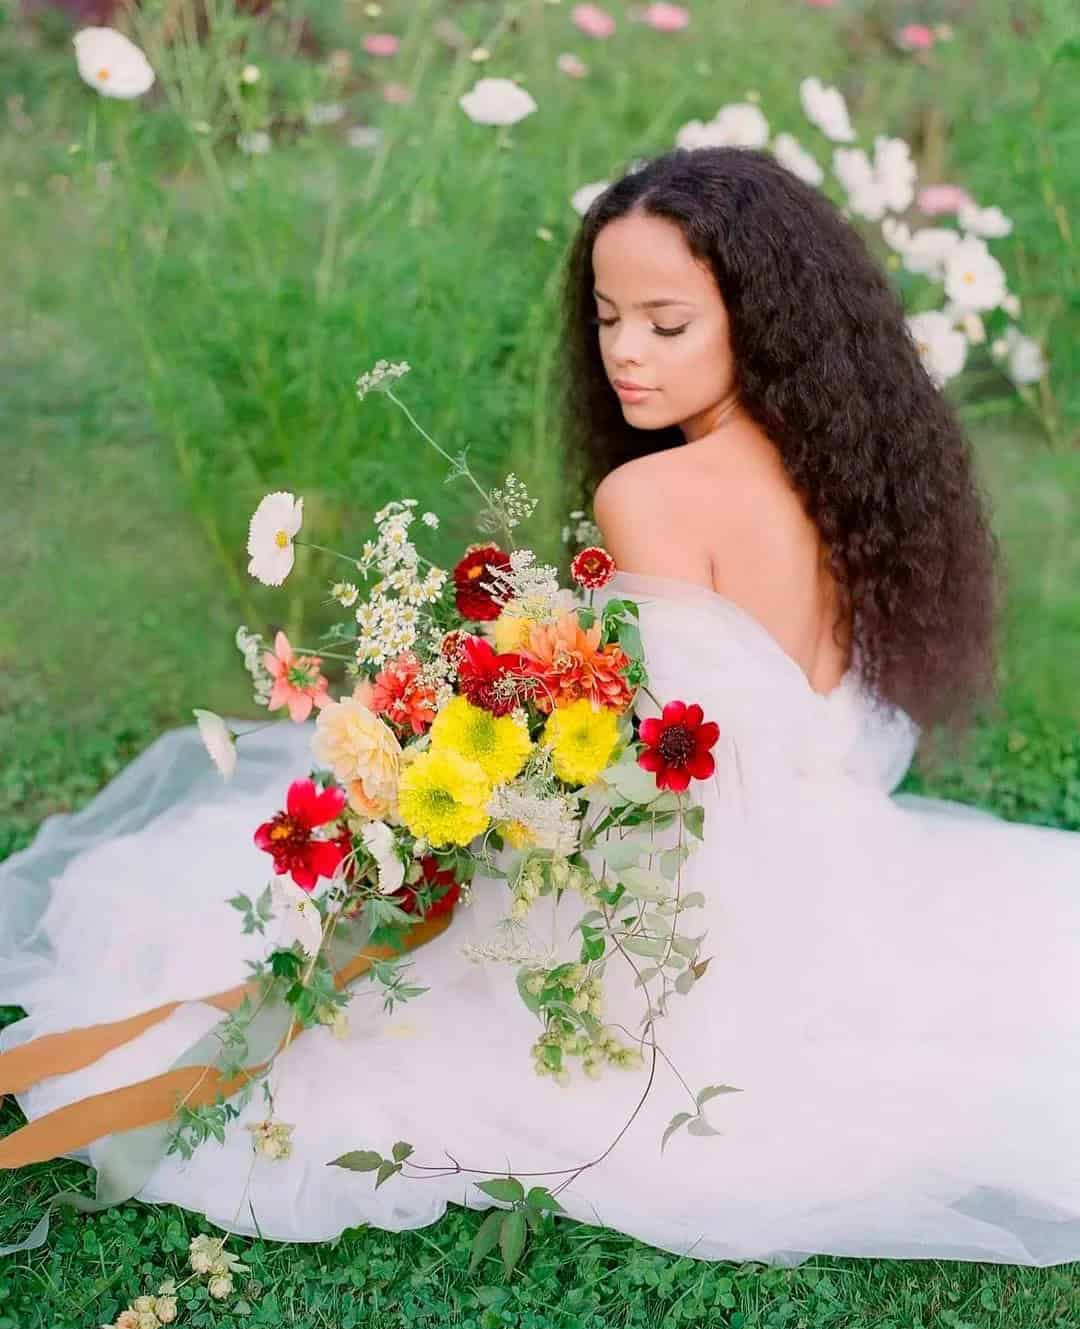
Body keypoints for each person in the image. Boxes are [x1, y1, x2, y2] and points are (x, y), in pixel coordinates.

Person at [3, 147, 1079, 1269]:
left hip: (699, 879)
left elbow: (674, 761)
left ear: (759, 319)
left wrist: (497, 765)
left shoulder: (648, 493)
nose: (622, 351)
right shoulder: (844, 466)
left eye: (667, 324)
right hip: (830, 852)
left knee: (342, 982)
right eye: (608, 315)